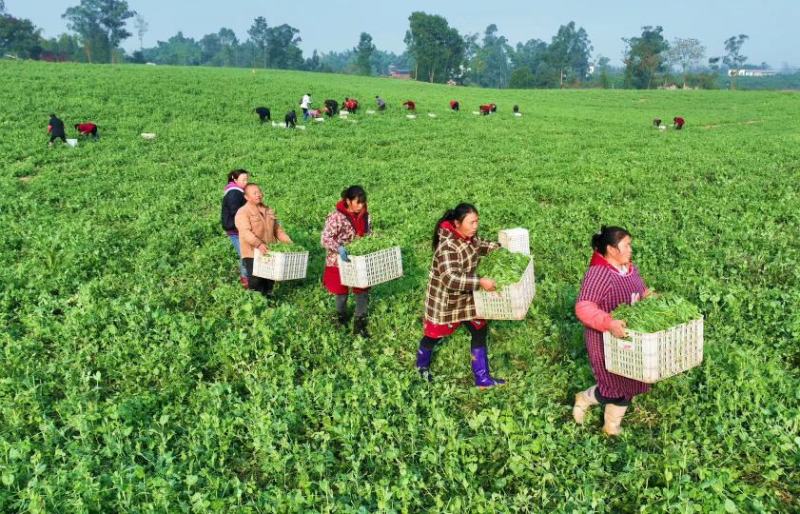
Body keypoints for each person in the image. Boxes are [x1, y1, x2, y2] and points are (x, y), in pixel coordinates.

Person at [415, 203, 506, 388]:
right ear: (457, 223)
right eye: (471, 222)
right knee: (433, 335)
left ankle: (482, 378)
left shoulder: (469, 238)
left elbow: (483, 246)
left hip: (466, 297)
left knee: (479, 328)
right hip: (445, 301)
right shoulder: (447, 247)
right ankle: (421, 369)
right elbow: (451, 279)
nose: (475, 226)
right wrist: (480, 282)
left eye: (477, 222)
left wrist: (501, 249)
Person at [572, 226, 652, 436]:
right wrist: (609, 322)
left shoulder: (629, 269)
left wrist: (647, 297)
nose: (630, 249)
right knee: (613, 387)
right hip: (604, 341)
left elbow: (639, 291)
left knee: (628, 383)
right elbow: (583, 307)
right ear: (611, 249)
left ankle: (610, 426)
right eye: (626, 245)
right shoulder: (599, 273)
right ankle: (586, 399)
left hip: (627, 340)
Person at [320, 186, 372, 338]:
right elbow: (325, 238)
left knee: (362, 290)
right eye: (358, 202)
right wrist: (339, 248)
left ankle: (359, 323)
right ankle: (340, 317)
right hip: (338, 260)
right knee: (341, 293)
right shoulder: (337, 217)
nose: (361, 206)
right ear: (348, 201)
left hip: (358, 260)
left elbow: (369, 234)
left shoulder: (365, 216)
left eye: (363, 202)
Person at [234, 183, 294, 298]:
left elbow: (277, 230)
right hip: (252, 252)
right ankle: (256, 304)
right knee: (256, 280)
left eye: (259, 192)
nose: (258, 195)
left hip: (268, 251)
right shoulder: (243, 212)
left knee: (269, 280)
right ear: (246, 197)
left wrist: (289, 243)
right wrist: (259, 244)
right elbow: (245, 232)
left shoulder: (268, 210)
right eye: (254, 193)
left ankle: (269, 304)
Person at [220, 169, 250, 288]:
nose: (246, 182)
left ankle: (248, 279)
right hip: (235, 230)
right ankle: (246, 281)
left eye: (247, 179)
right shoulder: (234, 193)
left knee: (247, 254)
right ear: (235, 180)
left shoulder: (238, 191)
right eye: (244, 179)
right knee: (245, 254)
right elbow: (236, 213)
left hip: (239, 229)